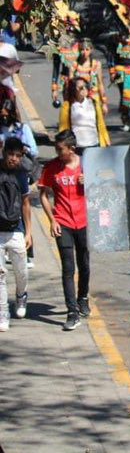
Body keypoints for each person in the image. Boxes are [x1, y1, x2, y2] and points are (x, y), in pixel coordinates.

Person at [39, 133, 89, 331]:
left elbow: (105, 186)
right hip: (63, 222)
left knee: (84, 264)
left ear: (72, 149)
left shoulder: (86, 165)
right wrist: (52, 220)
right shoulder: (51, 167)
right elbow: (43, 195)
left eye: (61, 150)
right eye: (56, 149)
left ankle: (82, 297)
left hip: (84, 222)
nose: (58, 153)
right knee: (68, 268)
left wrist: (90, 182)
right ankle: (72, 312)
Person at [0, 137, 32, 331]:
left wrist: (29, 233)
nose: (13, 159)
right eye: (11, 154)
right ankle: (3, 313)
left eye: (17, 155)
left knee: (22, 273)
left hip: (16, 231)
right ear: (4, 152)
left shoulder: (22, 174)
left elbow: (26, 204)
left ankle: (21, 296)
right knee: (0, 275)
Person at [58, 76, 109, 149]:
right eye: (81, 87)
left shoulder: (94, 103)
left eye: (86, 86)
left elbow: (101, 124)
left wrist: (106, 141)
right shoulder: (67, 106)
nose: (84, 89)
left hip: (95, 144)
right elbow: (64, 128)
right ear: (74, 90)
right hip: (77, 147)